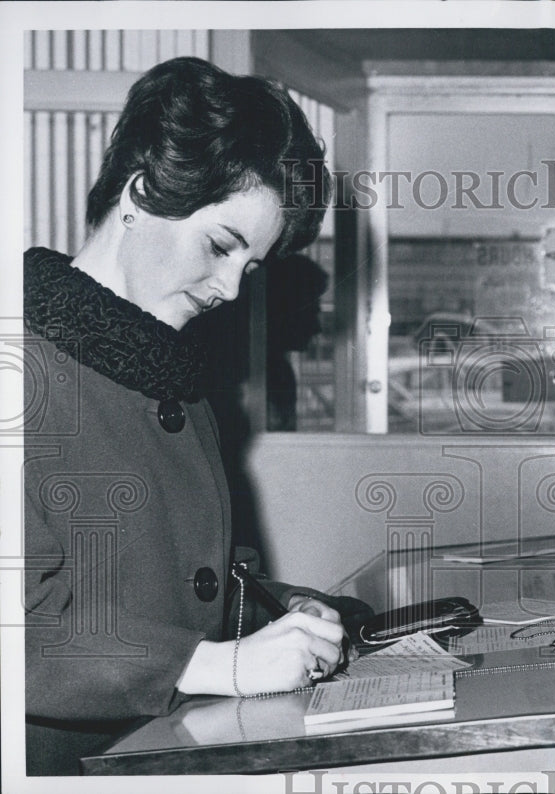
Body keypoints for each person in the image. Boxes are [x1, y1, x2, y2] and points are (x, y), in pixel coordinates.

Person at [22, 56, 367, 776]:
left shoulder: (178, 379)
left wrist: (293, 614)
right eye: (220, 246)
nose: (232, 289)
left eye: (251, 267)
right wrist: (216, 664)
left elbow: (194, 580)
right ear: (142, 191)